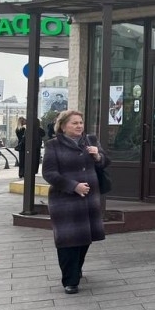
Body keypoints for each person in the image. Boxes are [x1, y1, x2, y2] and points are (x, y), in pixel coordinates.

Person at [41, 110, 109, 294]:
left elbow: (105, 162)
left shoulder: (91, 140)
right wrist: (73, 186)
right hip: (65, 200)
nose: (79, 126)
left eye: (81, 122)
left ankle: (76, 268)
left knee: (85, 238)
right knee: (67, 239)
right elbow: (49, 173)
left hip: (90, 198)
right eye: (74, 123)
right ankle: (70, 280)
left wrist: (98, 156)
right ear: (63, 126)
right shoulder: (53, 145)